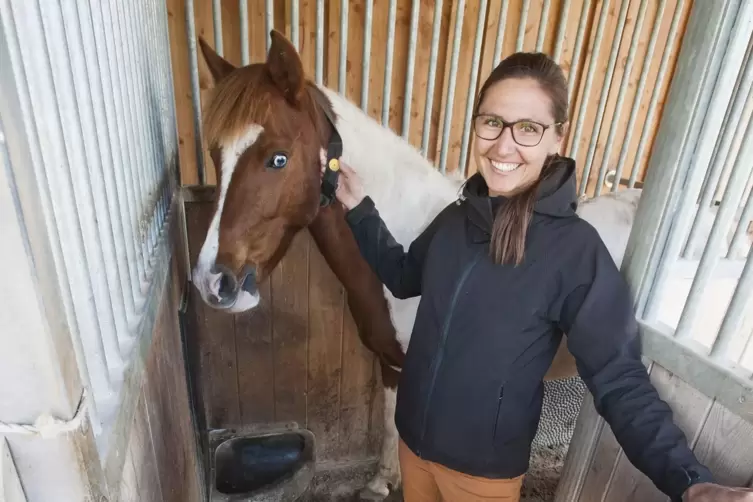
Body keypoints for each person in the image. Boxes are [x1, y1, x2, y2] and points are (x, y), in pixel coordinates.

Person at [325, 52, 753, 502]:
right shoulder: (454, 221)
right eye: (492, 122)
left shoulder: (574, 251)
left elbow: (618, 377)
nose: (503, 146)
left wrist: (689, 480)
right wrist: (361, 212)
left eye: (527, 128)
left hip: (480, 476)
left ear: (557, 138)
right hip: (413, 447)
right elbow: (403, 276)